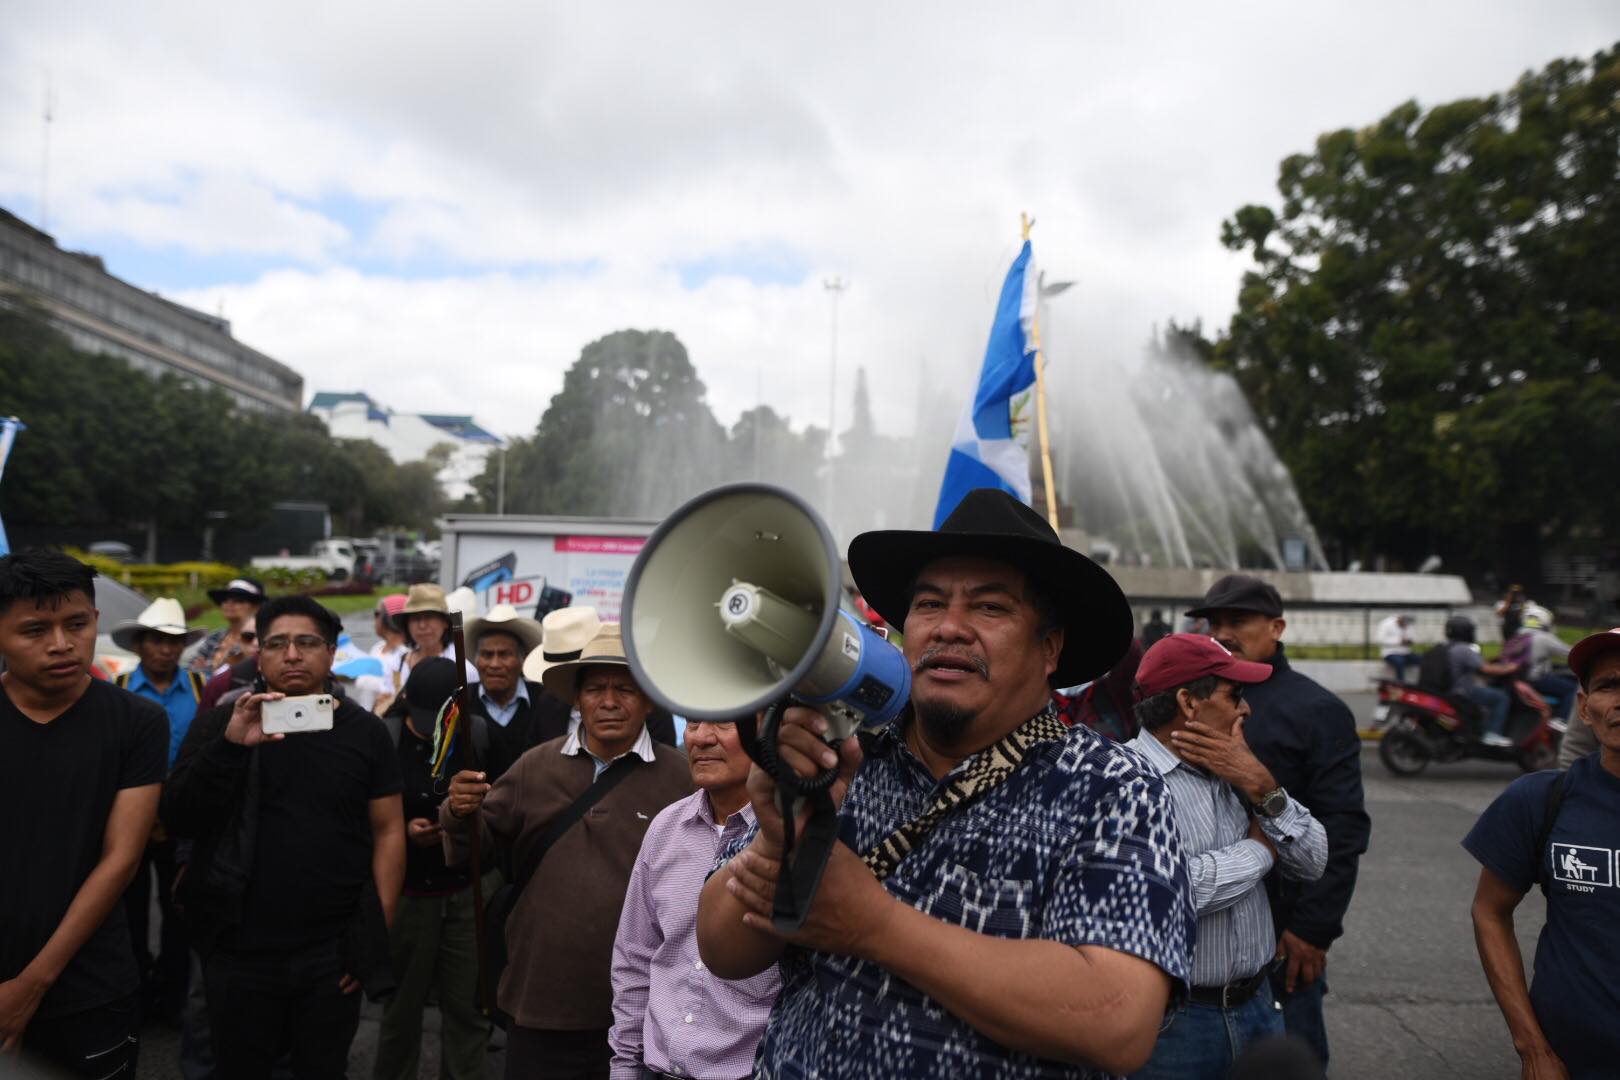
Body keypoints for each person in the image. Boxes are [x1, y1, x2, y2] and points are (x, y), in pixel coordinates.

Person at [698, 488, 1195, 1078]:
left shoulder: (1112, 788)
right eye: (929, 604)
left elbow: (1118, 1021)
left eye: (990, 608)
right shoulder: (842, 757)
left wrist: (874, 925)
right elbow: (721, 949)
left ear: (1049, 649)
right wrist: (781, 840)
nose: (950, 628)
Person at [162, 595, 406, 1080]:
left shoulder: (366, 733)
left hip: (329, 954)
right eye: (277, 644)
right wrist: (231, 746)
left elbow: (388, 831)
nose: (292, 654)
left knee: (321, 1068)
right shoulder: (222, 722)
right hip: (237, 949)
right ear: (260, 654)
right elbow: (179, 816)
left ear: (331, 652)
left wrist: (370, 938)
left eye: (307, 642)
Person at [441, 625, 692, 1079]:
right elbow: (475, 852)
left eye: (625, 689)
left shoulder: (683, 780)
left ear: (649, 701)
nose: (609, 702)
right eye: (595, 689)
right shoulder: (535, 766)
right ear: (577, 700)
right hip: (539, 1002)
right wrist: (459, 813)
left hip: (642, 1007)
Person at [1187, 574, 1369, 1070]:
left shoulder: (1316, 710)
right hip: (1196, 932)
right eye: (1214, 621)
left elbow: (1344, 825)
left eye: (1238, 621)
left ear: (1277, 627)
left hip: (1284, 935)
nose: (1222, 631)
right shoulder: (1191, 697)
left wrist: (1314, 928)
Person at [1126, 634, 1328, 1078]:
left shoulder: (1237, 771)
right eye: (1234, 695)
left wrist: (1264, 787)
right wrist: (1258, 851)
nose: (1245, 709)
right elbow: (1169, 890)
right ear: (1188, 702)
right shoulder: (1127, 779)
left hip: (1259, 1005)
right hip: (1175, 1026)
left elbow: (1313, 860)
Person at [0, 549, 166, 1077]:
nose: (61, 644)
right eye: (33, 630)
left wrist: (31, 984)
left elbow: (121, 859)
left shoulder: (137, 721)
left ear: (96, 620)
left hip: (91, 983)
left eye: (76, 624)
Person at [1463, 626, 1620, 1078]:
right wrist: (1533, 1048)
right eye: (1609, 685)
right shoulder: (1540, 800)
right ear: (1585, 709)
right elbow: (1489, 912)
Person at [609, 715, 780, 1079]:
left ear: (765, 731)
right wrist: (624, 1067)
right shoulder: (666, 829)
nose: (701, 738)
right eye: (692, 723)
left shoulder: (789, 841)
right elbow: (634, 958)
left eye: (723, 723)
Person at [374, 658, 501, 1080]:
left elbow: (503, 809)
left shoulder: (478, 735)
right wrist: (401, 828)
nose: (432, 730)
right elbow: (364, 812)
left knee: (468, 1010)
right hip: (408, 892)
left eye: (443, 720)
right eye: (423, 720)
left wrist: (459, 824)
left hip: (465, 891)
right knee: (401, 1010)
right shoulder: (386, 738)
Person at [109, 597, 208, 1026]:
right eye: (158, 641)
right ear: (140, 645)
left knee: (179, 907)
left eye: (175, 642)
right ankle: (133, 992)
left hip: (181, 815)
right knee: (126, 908)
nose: (167, 650)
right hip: (129, 814)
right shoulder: (120, 689)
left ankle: (171, 997)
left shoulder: (202, 688)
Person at [466, 603, 552, 766]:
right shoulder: (461, 703)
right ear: (476, 660)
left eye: (504, 655)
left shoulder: (545, 701)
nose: (494, 664)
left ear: (522, 660)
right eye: (487, 655)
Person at [1442, 615, 1519, 747]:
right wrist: (1510, 668)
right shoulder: (1464, 649)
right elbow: (1486, 669)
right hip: (1464, 691)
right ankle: (1492, 734)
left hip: (1448, 690)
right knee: (1501, 697)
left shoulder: (1445, 648)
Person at [191, 577, 266, 674]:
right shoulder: (215, 636)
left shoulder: (260, 639)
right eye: (225, 599)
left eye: (239, 600)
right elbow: (191, 669)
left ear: (256, 606)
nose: (229, 603)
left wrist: (205, 671)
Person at [1374, 613, 1420, 682]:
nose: (1405, 626)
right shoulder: (1386, 624)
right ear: (1400, 618)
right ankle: (1401, 684)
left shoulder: (1408, 625)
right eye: (1404, 623)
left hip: (1406, 653)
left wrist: (1410, 641)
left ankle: (1423, 684)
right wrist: (1399, 641)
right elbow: (1379, 640)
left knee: (1423, 660)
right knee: (1399, 662)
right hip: (1390, 653)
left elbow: (1413, 638)